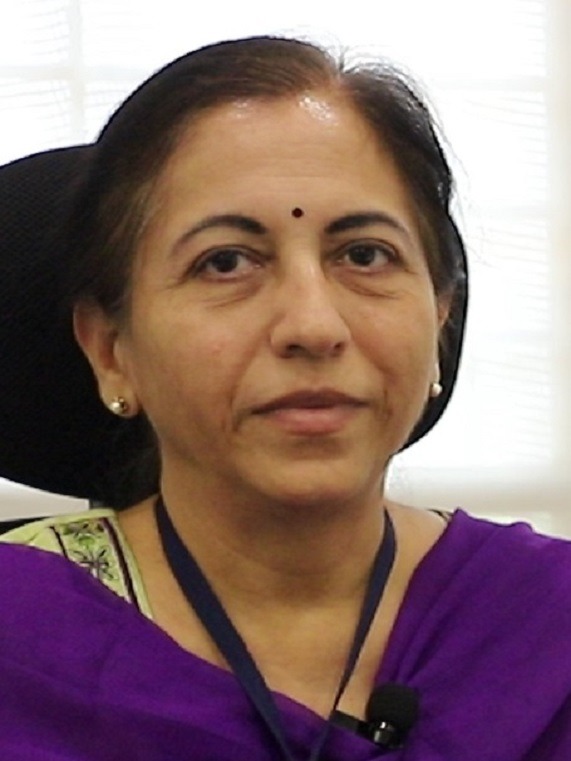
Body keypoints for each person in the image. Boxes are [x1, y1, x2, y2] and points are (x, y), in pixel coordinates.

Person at [0, 35, 569, 760]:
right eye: (225, 263)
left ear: (438, 321)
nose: (313, 325)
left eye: (363, 255)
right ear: (111, 350)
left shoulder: (546, 628)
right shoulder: (20, 641)